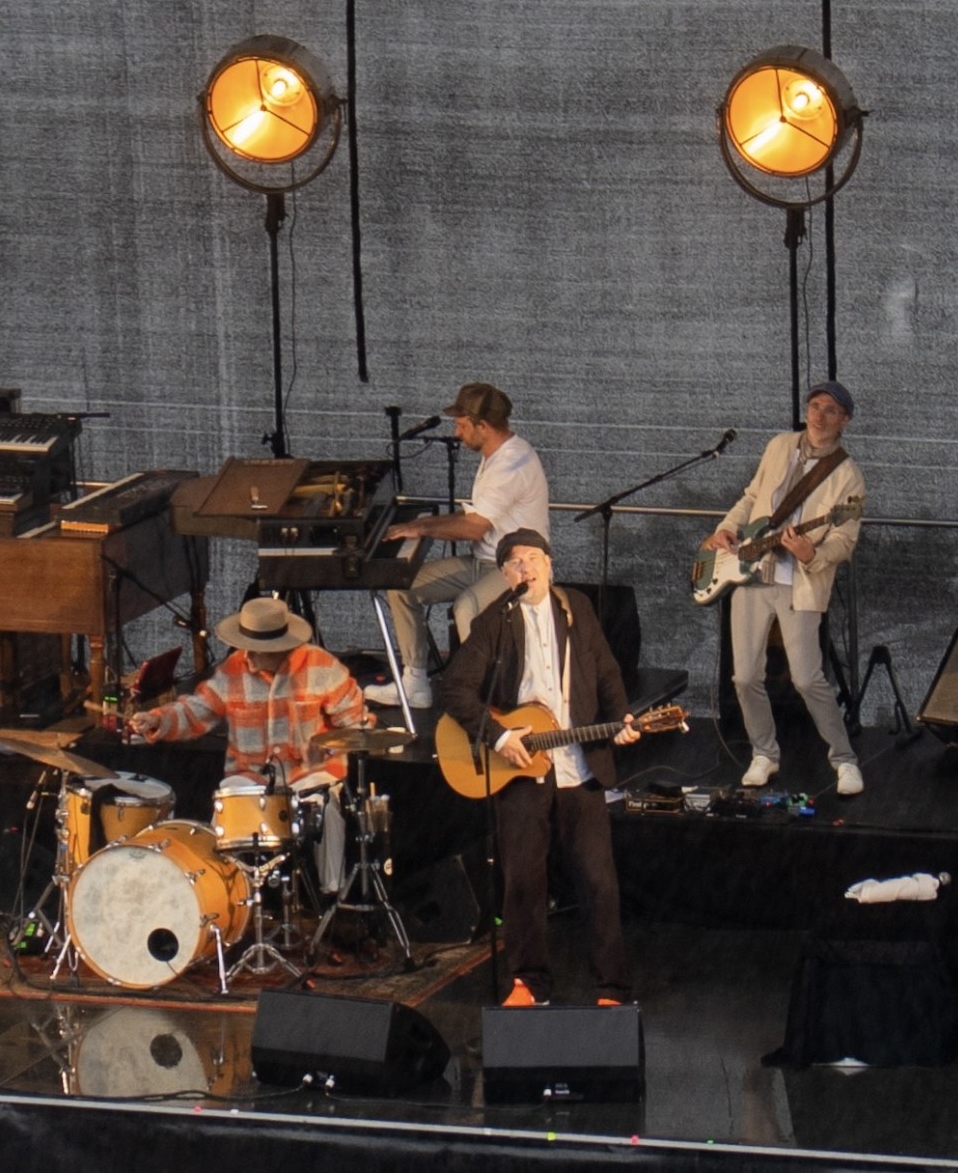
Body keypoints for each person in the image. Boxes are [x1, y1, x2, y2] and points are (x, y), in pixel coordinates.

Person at [438, 529, 638, 1006]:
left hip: (579, 766)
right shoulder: (495, 620)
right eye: (515, 562)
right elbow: (455, 688)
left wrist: (622, 719)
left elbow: (607, 672)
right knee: (523, 881)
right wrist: (499, 736)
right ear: (505, 575)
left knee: (598, 880)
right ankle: (529, 982)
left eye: (533, 558)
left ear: (550, 564)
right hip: (523, 766)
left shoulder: (577, 609)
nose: (525, 568)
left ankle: (611, 986)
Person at [130, 596, 375, 891]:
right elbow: (197, 710)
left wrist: (329, 747)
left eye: (256, 649)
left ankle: (333, 896)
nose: (249, 655)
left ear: (280, 648)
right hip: (251, 777)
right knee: (227, 799)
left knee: (326, 807)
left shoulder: (321, 666)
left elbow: (357, 721)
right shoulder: (234, 668)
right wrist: (158, 720)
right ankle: (224, 892)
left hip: (308, 775)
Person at [706, 381, 867, 796]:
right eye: (815, 406)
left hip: (800, 584)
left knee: (808, 679)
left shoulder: (847, 475)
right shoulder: (779, 446)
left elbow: (844, 540)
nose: (819, 415)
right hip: (751, 576)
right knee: (744, 677)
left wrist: (812, 553)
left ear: (845, 420)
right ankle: (764, 753)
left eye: (830, 410)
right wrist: (726, 528)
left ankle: (844, 759)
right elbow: (751, 497)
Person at [367, 382, 550, 709]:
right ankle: (415, 683)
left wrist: (420, 527)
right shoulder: (496, 455)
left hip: (517, 568)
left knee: (467, 608)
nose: (456, 432)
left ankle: (482, 700)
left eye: (462, 425)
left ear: (483, 426)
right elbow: (474, 517)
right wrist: (420, 526)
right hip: (485, 561)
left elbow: (474, 528)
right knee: (401, 585)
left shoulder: (511, 463)